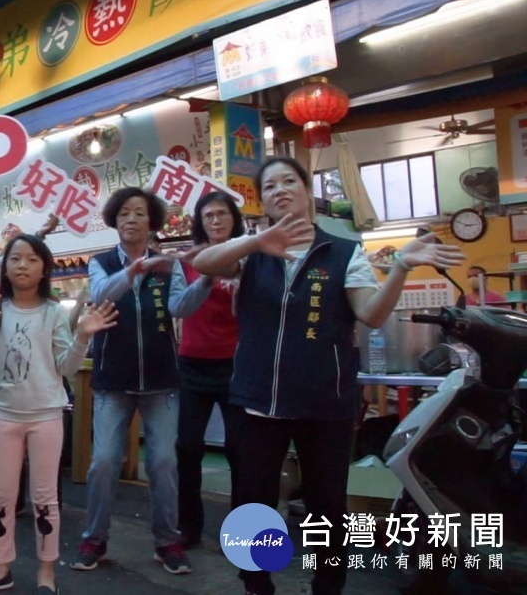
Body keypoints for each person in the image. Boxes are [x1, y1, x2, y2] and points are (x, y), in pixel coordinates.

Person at [193, 157, 463, 595]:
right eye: (270, 186)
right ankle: (257, 584)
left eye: (289, 181)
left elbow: (371, 315)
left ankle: (328, 585)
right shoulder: (250, 253)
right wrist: (257, 240)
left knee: (327, 507)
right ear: (263, 200)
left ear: (306, 193)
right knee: (252, 502)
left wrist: (399, 268)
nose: (280, 190)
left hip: (325, 402)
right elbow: (204, 263)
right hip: (257, 400)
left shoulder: (343, 253)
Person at [0, 235, 117, 595]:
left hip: (47, 417)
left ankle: (47, 571)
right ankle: (2, 567)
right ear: (5, 267)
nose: (23, 265)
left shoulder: (53, 313)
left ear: (44, 267)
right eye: (15, 259)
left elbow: (67, 367)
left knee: (44, 499)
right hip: (7, 418)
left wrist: (83, 337)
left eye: (31, 259)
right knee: (1, 497)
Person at [71, 187, 193, 575]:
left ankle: (167, 541)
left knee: (162, 462)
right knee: (104, 462)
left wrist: (203, 281)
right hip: (112, 380)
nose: (131, 219)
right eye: (124, 213)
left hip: (161, 379)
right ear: (114, 220)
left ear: (151, 222)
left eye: (139, 213)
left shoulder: (169, 265)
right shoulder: (101, 262)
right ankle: (95, 538)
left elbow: (178, 307)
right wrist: (133, 271)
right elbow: (100, 293)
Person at [170, 191, 246, 549]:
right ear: (199, 223)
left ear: (234, 219)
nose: (215, 220)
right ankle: (189, 526)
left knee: (241, 450)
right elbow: (177, 307)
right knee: (187, 447)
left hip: (238, 365)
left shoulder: (250, 255)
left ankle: (244, 529)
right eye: (208, 215)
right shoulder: (188, 261)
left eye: (222, 214)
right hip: (192, 364)